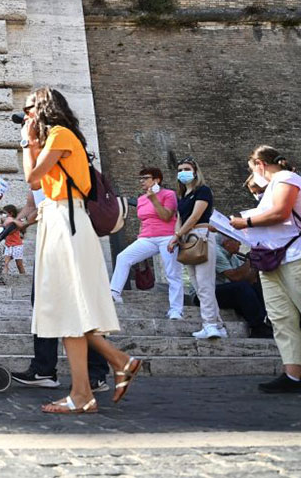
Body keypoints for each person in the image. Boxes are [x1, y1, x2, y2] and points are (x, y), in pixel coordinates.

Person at [20, 88, 140, 414]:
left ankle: (97, 380)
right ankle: (89, 387)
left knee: (67, 307)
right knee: (64, 310)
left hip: (67, 221)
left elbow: (32, 178)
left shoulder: (60, 134)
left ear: (45, 108)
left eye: (31, 108)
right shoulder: (57, 139)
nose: (27, 114)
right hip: (58, 220)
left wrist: (27, 141)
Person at [12, 187, 111, 393]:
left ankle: (98, 373)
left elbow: (54, 208)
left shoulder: (59, 169)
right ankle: (44, 369)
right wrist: (15, 221)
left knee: (83, 306)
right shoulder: (38, 177)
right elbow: (32, 206)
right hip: (50, 246)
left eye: (30, 152)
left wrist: (23, 222)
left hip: (73, 244)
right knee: (42, 304)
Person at [229, 146, 301, 393]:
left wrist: (244, 222)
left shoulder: (286, 178)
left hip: (295, 256)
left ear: (259, 164)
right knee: (281, 318)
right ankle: (293, 376)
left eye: (252, 169)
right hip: (272, 259)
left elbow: (281, 213)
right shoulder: (268, 188)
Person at [109, 168, 183, 319]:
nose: (141, 181)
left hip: (167, 237)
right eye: (140, 178)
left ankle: (176, 310)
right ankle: (115, 293)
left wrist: (154, 199)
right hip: (147, 238)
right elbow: (143, 220)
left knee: (172, 274)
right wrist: (140, 236)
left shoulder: (168, 194)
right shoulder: (142, 199)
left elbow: (167, 216)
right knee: (123, 257)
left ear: (156, 180)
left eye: (145, 178)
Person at [169, 157, 226, 340]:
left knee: (204, 283)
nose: (182, 172)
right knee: (196, 283)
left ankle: (210, 324)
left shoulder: (203, 190)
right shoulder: (183, 195)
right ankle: (217, 324)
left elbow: (195, 217)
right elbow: (180, 218)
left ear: (195, 171)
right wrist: (178, 236)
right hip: (187, 239)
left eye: (186, 168)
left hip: (201, 236)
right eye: (179, 170)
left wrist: (177, 236)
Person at [211, 236, 272, 339]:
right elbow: (235, 277)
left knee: (256, 284)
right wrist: (250, 260)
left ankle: (265, 321)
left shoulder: (233, 257)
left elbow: (249, 279)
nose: (239, 244)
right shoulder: (216, 252)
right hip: (208, 294)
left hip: (226, 291)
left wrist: (255, 265)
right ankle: (257, 326)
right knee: (241, 287)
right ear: (227, 242)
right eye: (237, 241)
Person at [1, 204, 26, 275]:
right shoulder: (6, 221)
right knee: (5, 263)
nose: (3, 215)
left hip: (17, 245)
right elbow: (3, 226)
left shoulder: (16, 221)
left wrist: (12, 220)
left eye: (5, 213)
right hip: (8, 244)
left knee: (19, 264)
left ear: (11, 213)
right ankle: (4, 277)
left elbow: (21, 225)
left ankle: (23, 277)